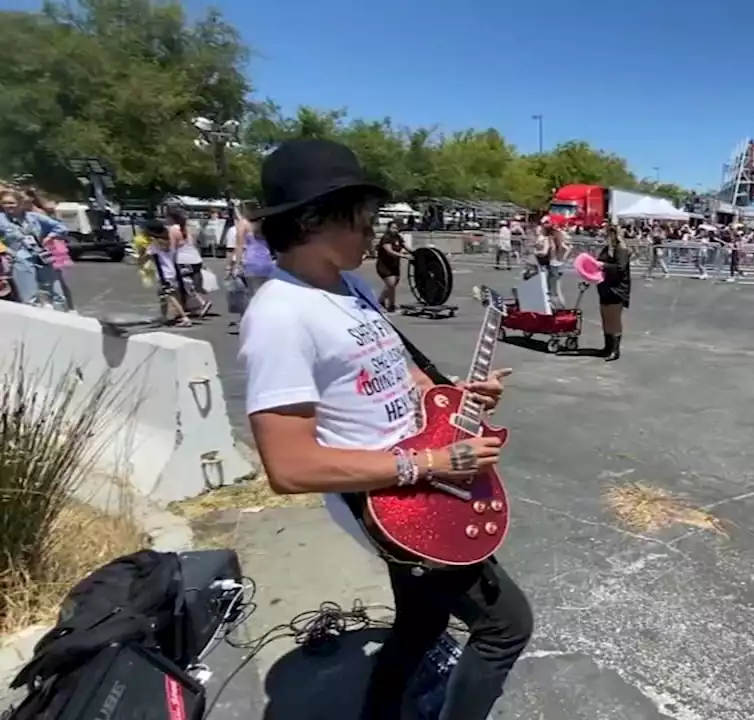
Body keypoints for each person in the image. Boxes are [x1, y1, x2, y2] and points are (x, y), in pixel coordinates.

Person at [237, 139, 532, 720]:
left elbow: (399, 374)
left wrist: (454, 397)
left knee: (421, 621)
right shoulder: (278, 317)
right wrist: (430, 465)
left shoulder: (351, 287)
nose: (375, 232)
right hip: (391, 504)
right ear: (314, 218)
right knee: (505, 626)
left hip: (421, 484)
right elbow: (290, 467)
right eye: (364, 218)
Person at [0, 188, 73, 310]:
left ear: (20, 203)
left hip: (41, 256)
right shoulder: (1, 219)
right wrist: (6, 250)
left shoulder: (34, 217)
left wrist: (49, 237)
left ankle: (62, 316)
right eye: (4, 203)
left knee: (56, 291)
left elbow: (60, 227)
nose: (8, 206)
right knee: (29, 295)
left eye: (11, 203)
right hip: (20, 259)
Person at [167, 208, 211, 316]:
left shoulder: (173, 229)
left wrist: (170, 261)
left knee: (185, 284)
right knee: (190, 283)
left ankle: (201, 303)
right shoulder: (189, 227)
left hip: (183, 259)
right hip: (195, 258)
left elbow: (172, 247)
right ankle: (188, 307)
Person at [596, 226, 631, 361]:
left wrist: (603, 266)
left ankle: (615, 350)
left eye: (609, 234)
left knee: (614, 319)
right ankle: (607, 347)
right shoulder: (607, 249)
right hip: (604, 286)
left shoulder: (621, 250)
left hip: (617, 288)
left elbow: (620, 268)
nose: (607, 236)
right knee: (605, 318)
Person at [375, 222, 412, 311]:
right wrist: (404, 256)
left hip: (394, 265)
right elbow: (389, 251)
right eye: (393, 228)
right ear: (388, 228)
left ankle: (381, 300)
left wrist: (416, 253)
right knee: (391, 284)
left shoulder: (398, 237)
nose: (395, 230)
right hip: (384, 265)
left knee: (391, 285)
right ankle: (391, 306)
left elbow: (407, 247)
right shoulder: (386, 238)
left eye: (396, 228)